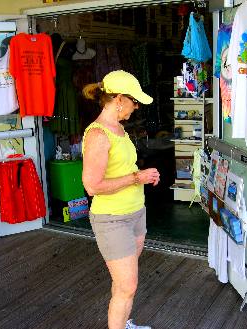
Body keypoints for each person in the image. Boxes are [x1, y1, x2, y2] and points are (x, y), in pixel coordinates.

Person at [82, 70, 160, 329]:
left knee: (123, 284)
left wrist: (143, 177)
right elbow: (92, 186)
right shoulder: (98, 135)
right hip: (112, 220)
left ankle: (123, 324)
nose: (136, 107)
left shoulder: (119, 129)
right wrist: (137, 178)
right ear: (118, 100)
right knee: (128, 286)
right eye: (134, 101)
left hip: (135, 213)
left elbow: (124, 169)